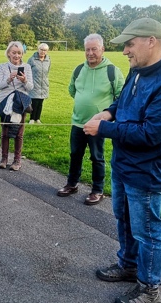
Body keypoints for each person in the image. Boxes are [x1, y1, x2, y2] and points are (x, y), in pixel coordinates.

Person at [83, 18, 161, 303]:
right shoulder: (138, 69)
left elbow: (151, 134)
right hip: (123, 162)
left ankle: (150, 289)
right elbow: (123, 102)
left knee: (147, 232)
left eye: (130, 44)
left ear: (151, 41)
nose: (125, 51)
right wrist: (107, 113)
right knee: (124, 220)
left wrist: (103, 129)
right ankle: (129, 266)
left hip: (147, 170)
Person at [57, 34, 124, 205]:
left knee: (97, 157)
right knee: (75, 154)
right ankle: (72, 184)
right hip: (78, 122)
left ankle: (97, 190)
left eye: (94, 49)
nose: (90, 53)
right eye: (87, 49)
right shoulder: (79, 69)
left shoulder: (112, 71)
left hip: (99, 125)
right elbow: (72, 90)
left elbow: (120, 97)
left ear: (102, 49)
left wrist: (105, 114)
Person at [0, 41, 33, 171]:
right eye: (14, 53)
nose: (17, 56)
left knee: (19, 133)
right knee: (5, 132)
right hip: (6, 103)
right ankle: (4, 159)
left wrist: (25, 80)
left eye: (19, 53)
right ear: (8, 53)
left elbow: (30, 87)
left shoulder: (27, 67)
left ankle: (17, 160)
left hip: (20, 103)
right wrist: (9, 79)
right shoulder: (2, 67)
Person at [27, 42, 51, 124]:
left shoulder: (48, 60)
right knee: (34, 102)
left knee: (40, 102)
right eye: (41, 49)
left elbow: (47, 71)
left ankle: (37, 118)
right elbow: (27, 71)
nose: (43, 52)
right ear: (38, 49)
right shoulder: (32, 60)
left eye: (45, 50)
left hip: (43, 84)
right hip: (34, 83)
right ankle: (32, 118)